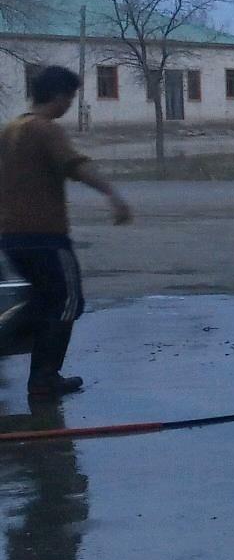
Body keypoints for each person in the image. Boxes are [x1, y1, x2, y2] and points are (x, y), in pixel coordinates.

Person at [0, 66, 133, 398]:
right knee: (68, 301)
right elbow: (76, 166)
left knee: (44, 299)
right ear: (59, 96)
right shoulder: (46, 130)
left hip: (12, 237)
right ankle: (45, 379)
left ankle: (37, 372)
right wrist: (113, 195)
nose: (70, 104)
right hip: (46, 237)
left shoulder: (11, 130)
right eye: (71, 97)